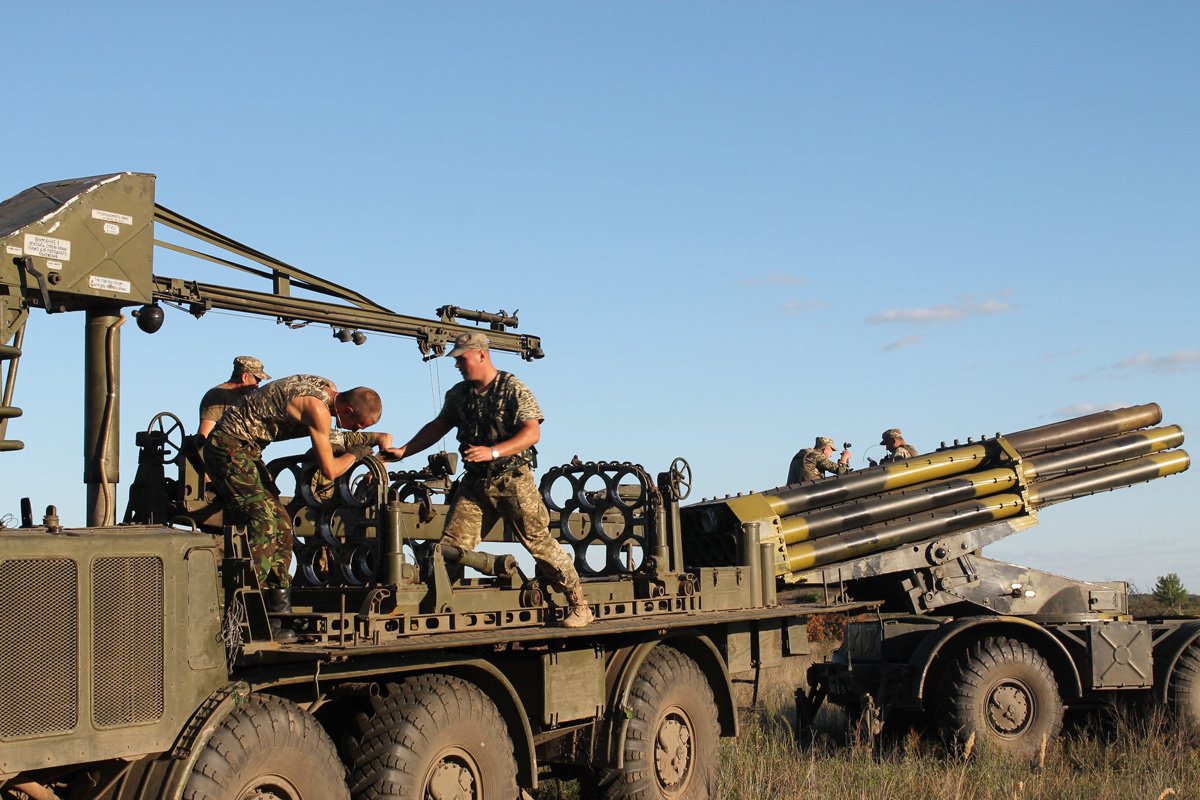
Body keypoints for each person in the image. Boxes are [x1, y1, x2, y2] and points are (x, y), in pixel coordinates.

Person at [387, 331, 593, 628]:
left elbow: (532, 432)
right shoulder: (458, 395)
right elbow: (438, 426)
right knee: (451, 547)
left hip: (513, 481)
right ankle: (441, 608)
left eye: (462, 359)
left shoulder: (512, 388)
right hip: (476, 485)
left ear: (482, 355)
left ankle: (579, 604)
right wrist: (404, 451)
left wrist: (493, 452)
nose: (457, 365)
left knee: (538, 543)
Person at [204, 374, 392, 640]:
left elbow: (333, 437)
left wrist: (375, 438)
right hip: (227, 448)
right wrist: (360, 451)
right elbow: (330, 470)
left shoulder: (326, 390)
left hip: (246, 451)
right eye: (356, 425)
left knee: (282, 525)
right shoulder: (317, 409)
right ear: (347, 410)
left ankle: (277, 615)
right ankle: (238, 609)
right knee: (264, 522)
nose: (354, 431)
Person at [197, 356, 271, 437]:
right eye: (257, 380)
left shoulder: (245, 398)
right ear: (245, 377)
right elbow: (204, 434)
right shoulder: (217, 395)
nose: (257, 386)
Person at [787, 436, 852, 484]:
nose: (831, 455)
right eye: (831, 451)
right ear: (825, 449)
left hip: (793, 490)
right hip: (810, 490)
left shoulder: (803, 454)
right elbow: (840, 471)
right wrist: (844, 458)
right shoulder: (817, 455)